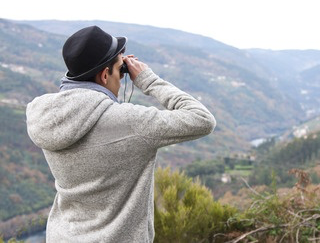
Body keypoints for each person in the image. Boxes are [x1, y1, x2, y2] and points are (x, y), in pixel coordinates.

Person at [26, 25, 216, 242]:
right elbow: (202, 119)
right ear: (105, 75)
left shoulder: (45, 116)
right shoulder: (129, 122)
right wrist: (148, 80)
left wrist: (104, 65)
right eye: (119, 70)